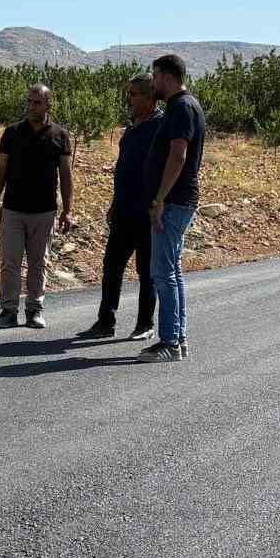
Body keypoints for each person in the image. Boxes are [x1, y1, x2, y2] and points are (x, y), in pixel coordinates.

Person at [76, 74, 161, 343]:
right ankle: (105, 322)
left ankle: (145, 324)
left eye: (134, 94)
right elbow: (123, 170)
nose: (129, 100)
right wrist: (114, 203)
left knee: (146, 271)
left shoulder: (160, 127)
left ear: (149, 97)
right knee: (112, 266)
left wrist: (159, 204)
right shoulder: (130, 130)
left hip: (147, 213)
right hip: (124, 210)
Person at [138, 54, 205, 364]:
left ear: (166, 77)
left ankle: (169, 342)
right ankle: (178, 338)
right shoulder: (185, 105)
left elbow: (178, 156)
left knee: (163, 274)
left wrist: (160, 199)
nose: (153, 83)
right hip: (177, 200)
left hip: (174, 201)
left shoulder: (181, 107)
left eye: (155, 77)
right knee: (172, 272)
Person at [0, 84, 73, 329]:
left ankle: (34, 310)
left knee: (38, 263)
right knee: (10, 262)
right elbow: (0, 169)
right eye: (29, 101)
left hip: (44, 211)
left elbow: (66, 175)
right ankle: (8, 311)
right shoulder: (12, 133)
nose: (31, 106)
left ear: (48, 105)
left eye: (37, 102)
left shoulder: (60, 135)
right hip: (13, 209)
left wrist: (68, 210)